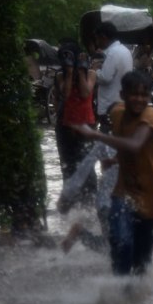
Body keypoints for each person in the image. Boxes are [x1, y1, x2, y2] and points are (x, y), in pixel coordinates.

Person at [70, 71, 153, 276]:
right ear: (122, 95)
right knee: (121, 245)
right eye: (134, 94)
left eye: (144, 95)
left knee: (141, 262)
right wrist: (116, 159)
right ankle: (116, 300)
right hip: (123, 194)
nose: (139, 99)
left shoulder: (151, 114)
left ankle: (137, 302)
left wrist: (95, 134)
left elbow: (135, 145)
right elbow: (127, 144)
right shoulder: (117, 115)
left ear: (149, 97)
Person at [55, 43, 98, 204]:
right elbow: (65, 95)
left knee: (88, 167)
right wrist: (69, 73)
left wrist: (80, 71)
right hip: (67, 127)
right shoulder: (60, 75)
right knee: (68, 167)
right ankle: (72, 204)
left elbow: (86, 92)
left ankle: (90, 203)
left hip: (87, 126)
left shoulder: (91, 74)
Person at [94, 21, 133, 133]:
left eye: (97, 39)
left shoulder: (112, 53)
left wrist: (95, 70)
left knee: (108, 141)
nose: (97, 43)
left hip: (110, 106)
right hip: (122, 103)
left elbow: (105, 77)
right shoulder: (125, 51)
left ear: (103, 37)